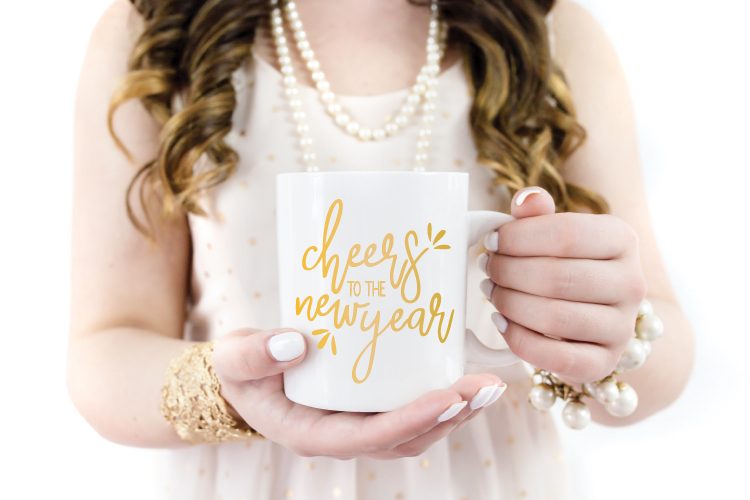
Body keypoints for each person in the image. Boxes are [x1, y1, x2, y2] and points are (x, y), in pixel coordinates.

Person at [67, 0, 695, 498]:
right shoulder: (156, 33)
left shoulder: (553, 34)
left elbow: (663, 362)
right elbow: (104, 350)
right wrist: (228, 392)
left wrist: (607, 333)